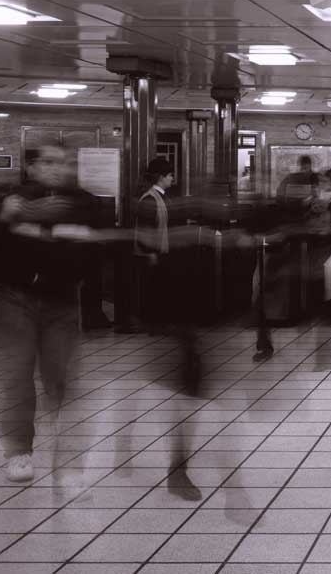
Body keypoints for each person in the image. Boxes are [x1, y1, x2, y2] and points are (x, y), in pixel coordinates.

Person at [0, 142, 97, 485]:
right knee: (16, 376)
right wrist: (6, 220)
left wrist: (36, 230)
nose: (57, 169)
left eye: (64, 163)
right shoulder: (6, 200)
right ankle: (19, 451)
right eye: (49, 162)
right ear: (31, 167)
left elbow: (89, 248)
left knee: (60, 377)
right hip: (13, 298)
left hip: (61, 300)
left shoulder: (83, 203)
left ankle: (64, 446)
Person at [134, 157, 203, 500]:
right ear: (162, 175)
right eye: (171, 173)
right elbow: (145, 238)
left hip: (161, 268)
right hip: (154, 268)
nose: (175, 177)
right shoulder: (150, 200)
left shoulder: (159, 200)